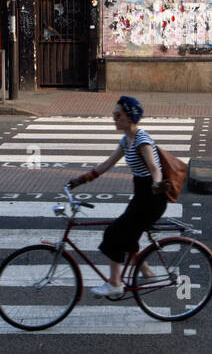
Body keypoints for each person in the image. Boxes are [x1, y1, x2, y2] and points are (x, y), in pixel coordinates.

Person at [68, 96, 169, 300]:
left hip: (152, 197)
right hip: (141, 195)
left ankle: (115, 284)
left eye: (117, 115)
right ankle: (147, 272)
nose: (113, 118)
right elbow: (106, 165)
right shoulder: (126, 140)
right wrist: (80, 180)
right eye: (113, 114)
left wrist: (157, 184)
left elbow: (154, 168)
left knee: (114, 235)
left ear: (129, 117)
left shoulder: (142, 140)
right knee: (127, 234)